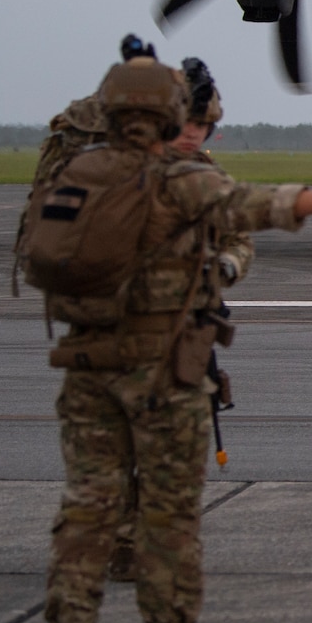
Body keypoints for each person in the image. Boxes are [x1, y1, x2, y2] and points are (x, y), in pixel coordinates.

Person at [35, 51, 312, 623]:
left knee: (85, 512)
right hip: (166, 372)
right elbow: (262, 204)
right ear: (169, 113)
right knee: (169, 518)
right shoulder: (177, 178)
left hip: (86, 368)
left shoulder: (75, 174)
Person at [105, 58, 256, 583]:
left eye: (204, 127)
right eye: (187, 125)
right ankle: (125, 538)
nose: (194, 135)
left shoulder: (211, 177)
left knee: (180, 445)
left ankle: (155, 540)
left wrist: (228, 265)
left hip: (191, 332)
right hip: (129, 330)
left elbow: (239, 235)